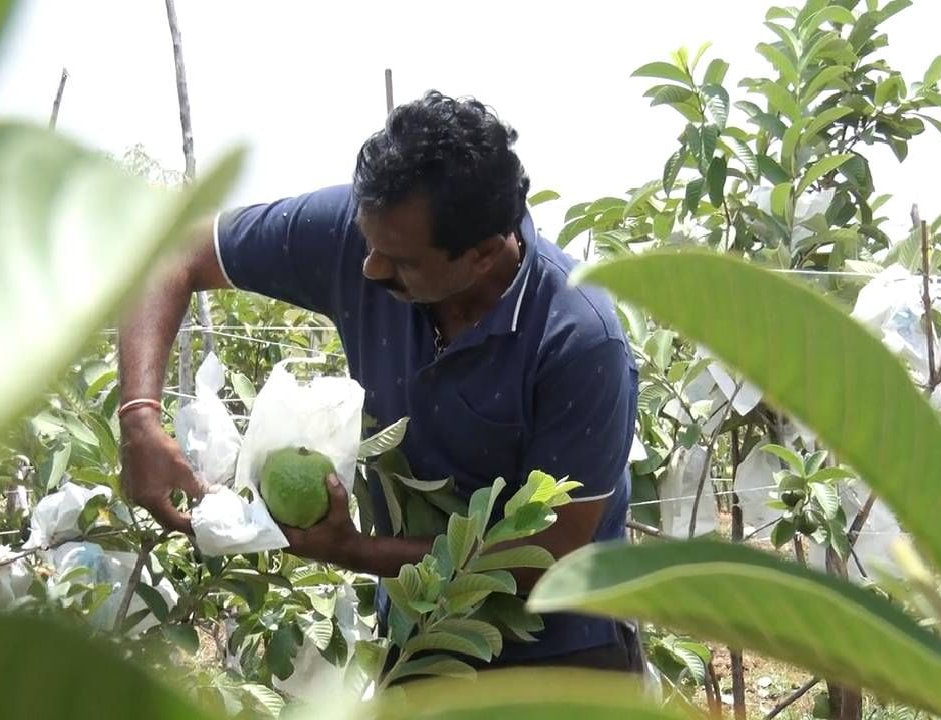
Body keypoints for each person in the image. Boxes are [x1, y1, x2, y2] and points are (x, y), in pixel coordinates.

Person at [117, 90, 641, 672]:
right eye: (368, 242)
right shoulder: (367, 236)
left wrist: (354, 551)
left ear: (484, 256)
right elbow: (174, 252)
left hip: (565, 650)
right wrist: (139, 417)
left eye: (402, 261)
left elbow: (554, 554)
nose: (370, 268)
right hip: (421, 642)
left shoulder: (578, 338)